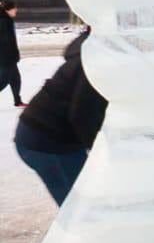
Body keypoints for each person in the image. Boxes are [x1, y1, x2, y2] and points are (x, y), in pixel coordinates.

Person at [14, 29, 106, 206]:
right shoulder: (95, 62)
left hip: (50, 136)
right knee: (80, 209)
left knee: (86, 201)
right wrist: (102, 149)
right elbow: (83, 113)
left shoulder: (93, 51)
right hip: (48, 143)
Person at [0, 0, 23, 107]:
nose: (16, 10)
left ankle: (17, 101)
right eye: (14, 8)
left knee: (15, 79)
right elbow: (6, 41)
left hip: (9, 57)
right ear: (8, 9)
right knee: (3, 80)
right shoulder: (4, 21)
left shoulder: (6, 19)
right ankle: (17, 101)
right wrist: (11, 55)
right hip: (6, 57)